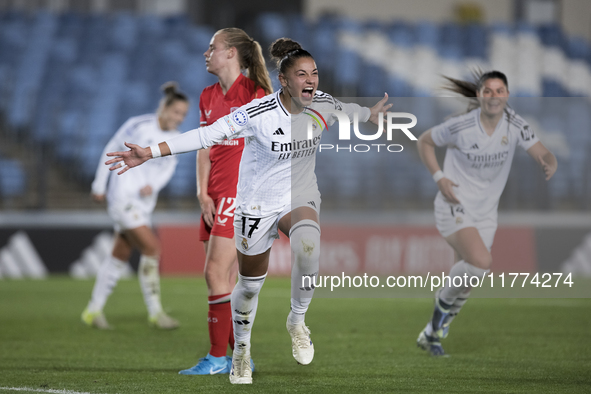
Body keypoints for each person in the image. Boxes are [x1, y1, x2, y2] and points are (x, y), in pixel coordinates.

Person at [105, 38, 392, 384]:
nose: (311, 79)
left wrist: (370, 115)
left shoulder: (323, 104)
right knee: (250, 286)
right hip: (256, 205)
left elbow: (349, 110)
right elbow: (204, 136)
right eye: (302, 74)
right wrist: (149, 152)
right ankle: (240, 351)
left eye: (314, 73)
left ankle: (297, 321)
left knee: (309, 248)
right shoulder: (257, 114)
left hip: (297, 197)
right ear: (284, 81)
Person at [415, 71, 557, 356]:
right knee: (480, 262)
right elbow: (424, 142)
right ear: (479, 96)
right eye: (488, 91)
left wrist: (549, 162)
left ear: (507, 94)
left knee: (467, 283)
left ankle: (431, 334)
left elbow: (543, 152)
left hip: (486, 215)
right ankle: (436, 319)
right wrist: (440, 177)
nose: (494, 96)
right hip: (453, 205)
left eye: (499, 90)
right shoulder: (461, 126)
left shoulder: (515, 125)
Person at [179, 28, 273, 376]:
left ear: (232, 53)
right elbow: (204, 148)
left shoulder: (257, 94)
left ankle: (219, 357)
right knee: (225, 280)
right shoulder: (207, 96)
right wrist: (203, 193)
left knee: (215, 273)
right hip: (215, 195)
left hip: (241, 195)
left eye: (213, 48)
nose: (207, 53)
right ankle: (240, 357)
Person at [81, 82, 189, 330]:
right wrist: (99, 185)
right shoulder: (138, 124)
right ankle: (156, 312)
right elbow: (111, 148)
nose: (179, 118)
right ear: (164, 108)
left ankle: (92, 310)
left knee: (120, 253)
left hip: (144, 203)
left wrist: (153, 185)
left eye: (183, 114)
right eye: (176, 112)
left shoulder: (174, 139)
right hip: (122, 196)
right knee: (152, 248)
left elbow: (169, 168)